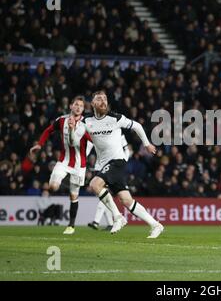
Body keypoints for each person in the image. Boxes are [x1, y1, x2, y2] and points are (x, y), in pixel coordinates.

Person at [70, 90, 164, 238]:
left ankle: (118, 217)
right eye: (99, 99)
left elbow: (137, 126)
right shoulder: (86, 121)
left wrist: (147, 144)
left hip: (118, 161)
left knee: (95, 185)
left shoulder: (115, 118)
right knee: (126, 200)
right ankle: (156, 225)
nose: (103, 102)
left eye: (105, 99)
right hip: (103, 164)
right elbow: (74, 141)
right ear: (93, 103)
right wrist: (71, 129)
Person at [30, 96, 91, 235]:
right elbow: (48, 130)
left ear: (83, 109)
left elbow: (92, 139)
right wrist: (40, 144)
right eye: (76, 104)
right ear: (71, 106)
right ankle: (65, 184)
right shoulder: (61, 120)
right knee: (52, 187)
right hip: (63, 161)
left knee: (73, 196)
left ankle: (71, 226)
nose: (78, 107)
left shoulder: (86, 124)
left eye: (81, 106)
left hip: (79, 166)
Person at [88, 134, 130, 231]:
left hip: (114, 167)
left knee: (104, 194)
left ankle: (96, 222)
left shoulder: (120, 136)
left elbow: (127, 150)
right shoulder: (103, 133)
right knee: (104, 196)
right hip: (102, 166)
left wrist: (123, 161)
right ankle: (110, 223)